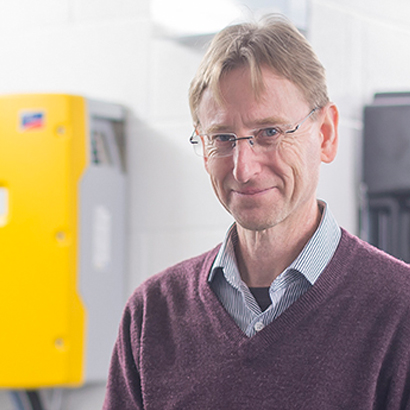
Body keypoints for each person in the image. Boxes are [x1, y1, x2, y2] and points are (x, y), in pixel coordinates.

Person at [103, 14, 410, 410]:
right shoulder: (151, 316)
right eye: (222, 138)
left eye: (270, 133)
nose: (243, 168)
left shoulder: (399, 311)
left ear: (326, 134)